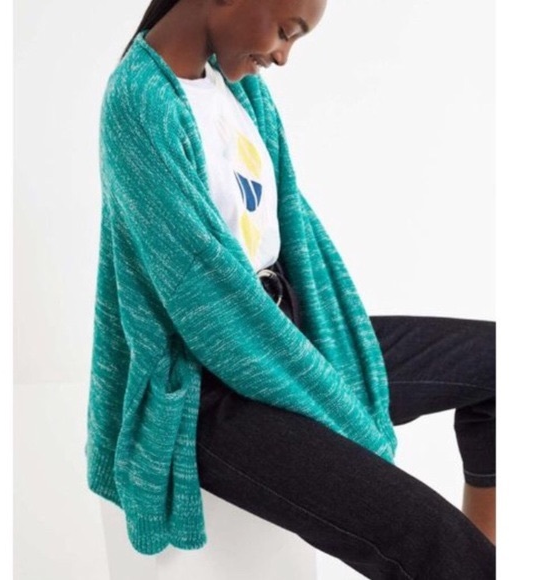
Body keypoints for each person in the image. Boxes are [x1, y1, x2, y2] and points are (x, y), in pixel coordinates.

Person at [87, 0, 496, 577]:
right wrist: (340, 403)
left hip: (286, 337)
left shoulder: (238, 89)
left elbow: (296, 234)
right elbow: (208, 304)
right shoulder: (139, 102)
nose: (283, 56)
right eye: (286, 31)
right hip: (209, 388)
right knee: (432, 538)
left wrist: (337, 343)